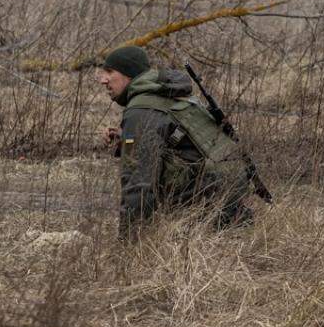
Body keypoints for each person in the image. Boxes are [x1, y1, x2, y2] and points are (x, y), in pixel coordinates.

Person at [98, 45, 253, 241]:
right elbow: (180, 144)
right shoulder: (168, 97)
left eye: (110, 72)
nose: (103, 80)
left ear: (129, 74)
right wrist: (127, 139)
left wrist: (128, 244)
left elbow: (137, 182)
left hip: (204, 214)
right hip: (230, 200)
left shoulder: (139, 111)